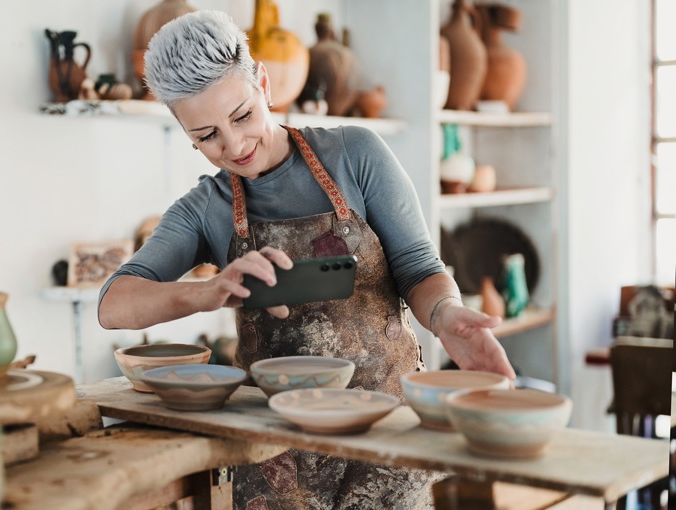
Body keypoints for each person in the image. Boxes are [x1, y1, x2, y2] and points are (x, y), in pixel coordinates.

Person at [98, 9, 515, 510]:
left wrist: (447, 315)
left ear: (264, 84)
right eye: (206, 136)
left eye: (242, 116)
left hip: (383, 436)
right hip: (277, 454)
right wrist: (206, 292)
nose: (234, 146)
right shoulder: (206, 208)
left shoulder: (355, 155)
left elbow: (419, 266)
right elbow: (112, 304)